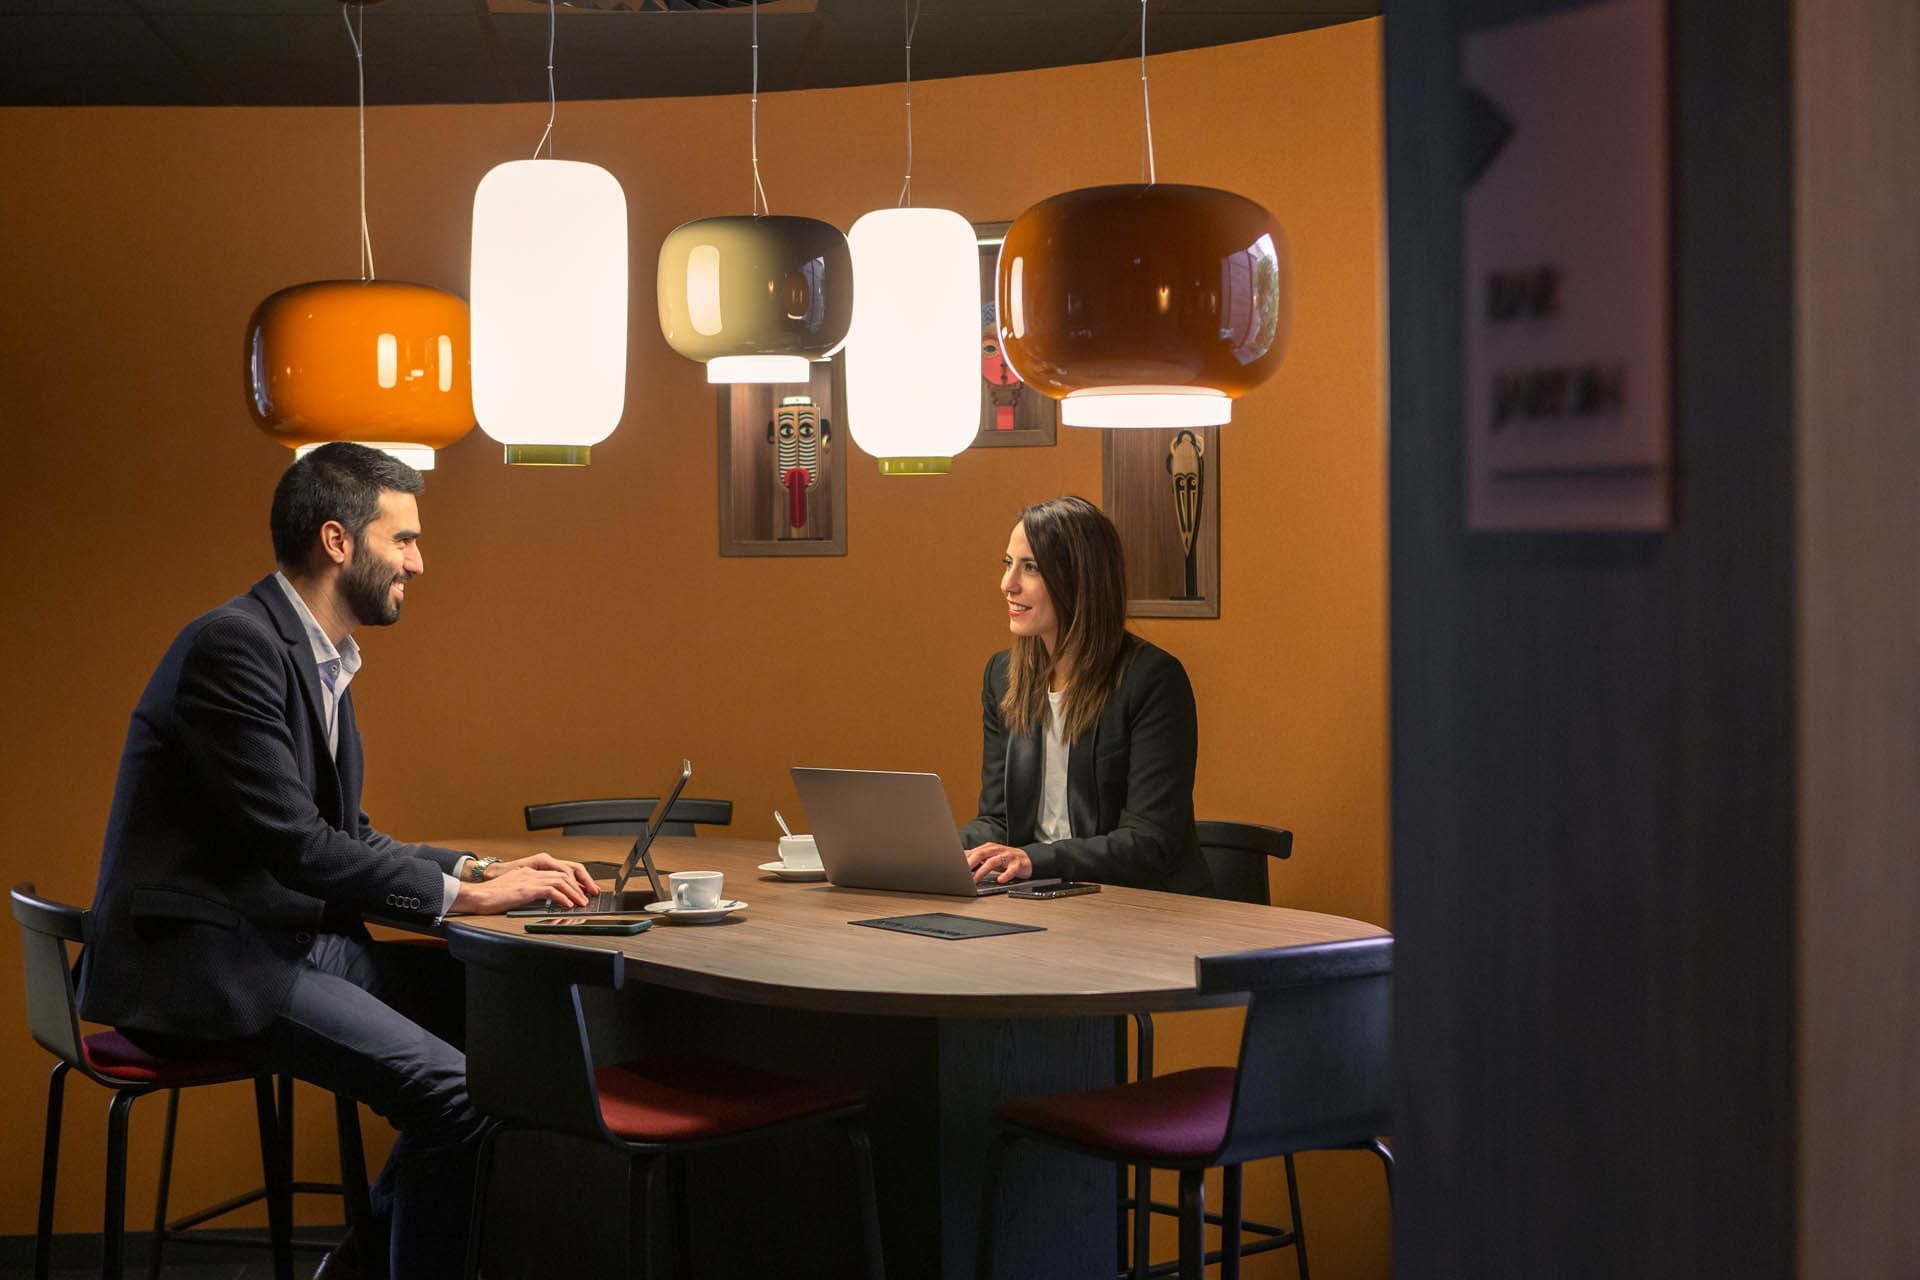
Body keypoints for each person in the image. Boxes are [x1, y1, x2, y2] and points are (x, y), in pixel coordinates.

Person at [78, 443, 600, 1280]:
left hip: (284, 945)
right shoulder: (233, 648)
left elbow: (344, 831)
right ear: (337, 542)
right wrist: (467, 903)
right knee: (459, 1097)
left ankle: (356, 1268)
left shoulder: (316, 658)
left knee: (501, 1024)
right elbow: (297, 844)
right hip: (216, 967)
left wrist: (473, 870)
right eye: (403, 541)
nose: (418, 563)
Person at [961, 495, 1213, 895]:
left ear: (1078, 580)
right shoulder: (1003, 676)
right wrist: (942, 850)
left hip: (1138, 905)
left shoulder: (1152, 680)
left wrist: (1034, 860)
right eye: (1008, 564)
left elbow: (1149, 842)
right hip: (1036, 896)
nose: (1007, 584)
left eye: (1031, 568)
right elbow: (998, 819)